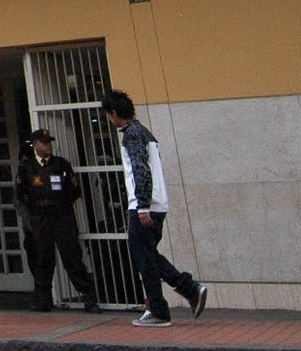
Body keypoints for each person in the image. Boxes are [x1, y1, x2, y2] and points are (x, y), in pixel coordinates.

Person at [100, 91, 207, 327]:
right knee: (147, 254)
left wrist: (142, 206)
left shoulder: (132, 135)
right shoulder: (143, 132)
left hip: (145, 205)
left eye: (108, 115)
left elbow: (141, 170)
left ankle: (159, 310)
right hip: (155, 202)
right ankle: (188, 289)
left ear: (114, 113)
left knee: (144, 258)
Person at [14, 128, 100, 312]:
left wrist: (62, 204)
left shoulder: (61, 164)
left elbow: (75, 190)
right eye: (44, 142)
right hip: (40, 218)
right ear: (35, 145)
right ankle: (43, 299)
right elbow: (21, 193)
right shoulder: (27, 167)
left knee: (72, 257)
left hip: (62, 216)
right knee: (43, 258)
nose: (48, 146)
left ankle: (89, 297)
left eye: (49, 142)